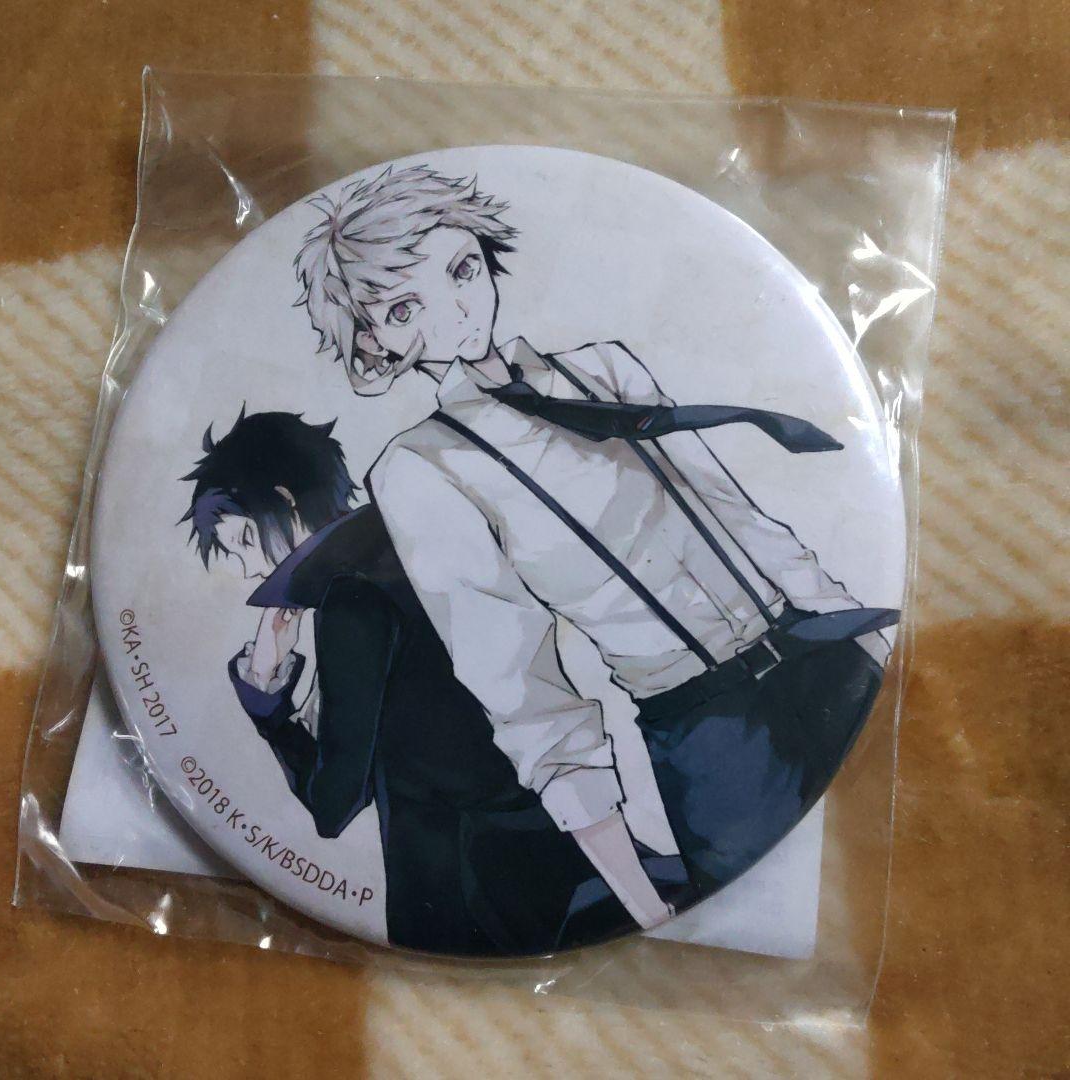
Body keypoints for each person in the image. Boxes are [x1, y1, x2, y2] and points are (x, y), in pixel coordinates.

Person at [294, 164, 897, 897]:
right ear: (374, 345)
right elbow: (518, 684)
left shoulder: (603, 370)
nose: (455, 311)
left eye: (462, 269)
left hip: (827, 656)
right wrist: (638, 899)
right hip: (707, 737)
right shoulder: (420, 469)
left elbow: (740, 519)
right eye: (402, 310)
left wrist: (865, 637)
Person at [179, 409, 685, 957]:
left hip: (473, 891)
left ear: (286, 501)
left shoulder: (351, 598)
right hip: (550, 847)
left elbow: (334, 803)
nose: (249, 569)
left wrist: (268, 701)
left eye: (245, 540)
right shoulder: (413, 538)